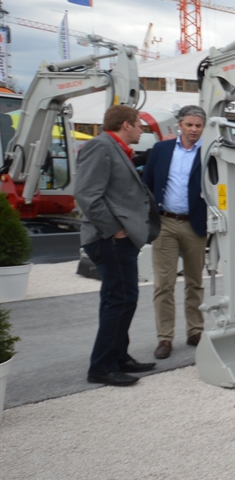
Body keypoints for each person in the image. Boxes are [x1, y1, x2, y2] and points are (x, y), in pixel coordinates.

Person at [75, 105, 161, 386]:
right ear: (126, 124)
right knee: (122, 300)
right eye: (139, 125)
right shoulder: (100, 147)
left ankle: (118, 356)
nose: (141, 130)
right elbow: (87, 195)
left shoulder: (114, 148)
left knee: (117, 300)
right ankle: (101, 367)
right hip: (109, 239)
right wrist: (116, 231)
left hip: (115, 239)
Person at [142, 105, 208, 360]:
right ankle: (165, 338)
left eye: (198, 125)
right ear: (179, 125)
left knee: (195, 282)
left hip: (195, 224)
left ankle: (195, 331)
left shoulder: (208, 152)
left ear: (203, 128)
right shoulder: (161, 150)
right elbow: (147, 183)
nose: (193, 130)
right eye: (189, 124)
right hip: (166, 223)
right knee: (164, 284)